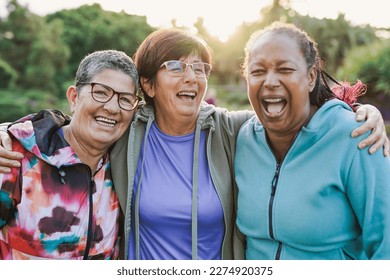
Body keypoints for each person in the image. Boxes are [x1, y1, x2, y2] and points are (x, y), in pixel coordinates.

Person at [0, 29, 388, 260]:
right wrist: (10, 132)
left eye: (199, 68)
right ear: (147, 86)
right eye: (174, 66)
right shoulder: (126, 132)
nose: (191, 77)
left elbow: (285, 112)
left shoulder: (233, 130)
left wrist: (352, 108)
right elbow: (86, 120)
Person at [234, 22, 390, 260]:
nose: (270, 81)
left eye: (284, 69)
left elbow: (385, 246)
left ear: (310, 77)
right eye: (257, 71)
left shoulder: (356, 137)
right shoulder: (242, 137)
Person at [0, 50, 140, 259]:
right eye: (101, 92)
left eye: (125, 99)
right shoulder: (17, 157)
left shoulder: (125, 165)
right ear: (74, 98)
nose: (112, 108)